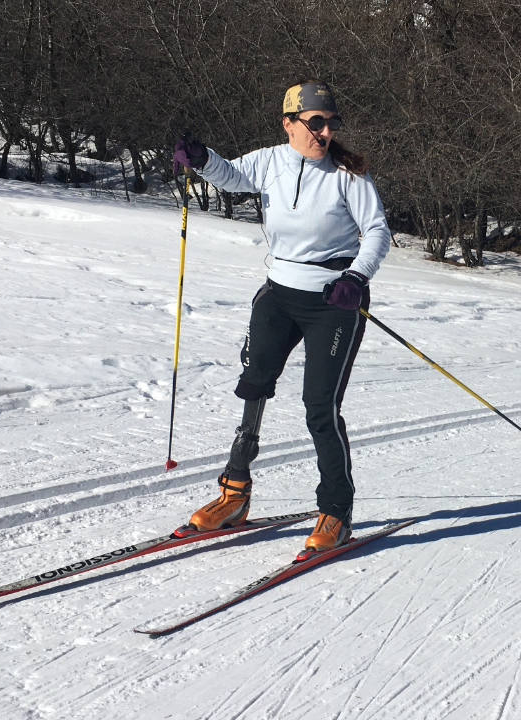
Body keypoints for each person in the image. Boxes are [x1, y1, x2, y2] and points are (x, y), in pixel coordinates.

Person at [171, 79, 391, 554]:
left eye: (332, 123)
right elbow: (230, 175)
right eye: (316, 122)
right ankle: (234, 494)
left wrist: (355, 278)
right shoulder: (270, 160)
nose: (326, 132)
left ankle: (336, 513)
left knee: (319, 407)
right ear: (289, 124)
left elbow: (376, 232)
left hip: (334, 302)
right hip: (278, 294)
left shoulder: (347, 174)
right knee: (254, 386)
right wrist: (201, 157)